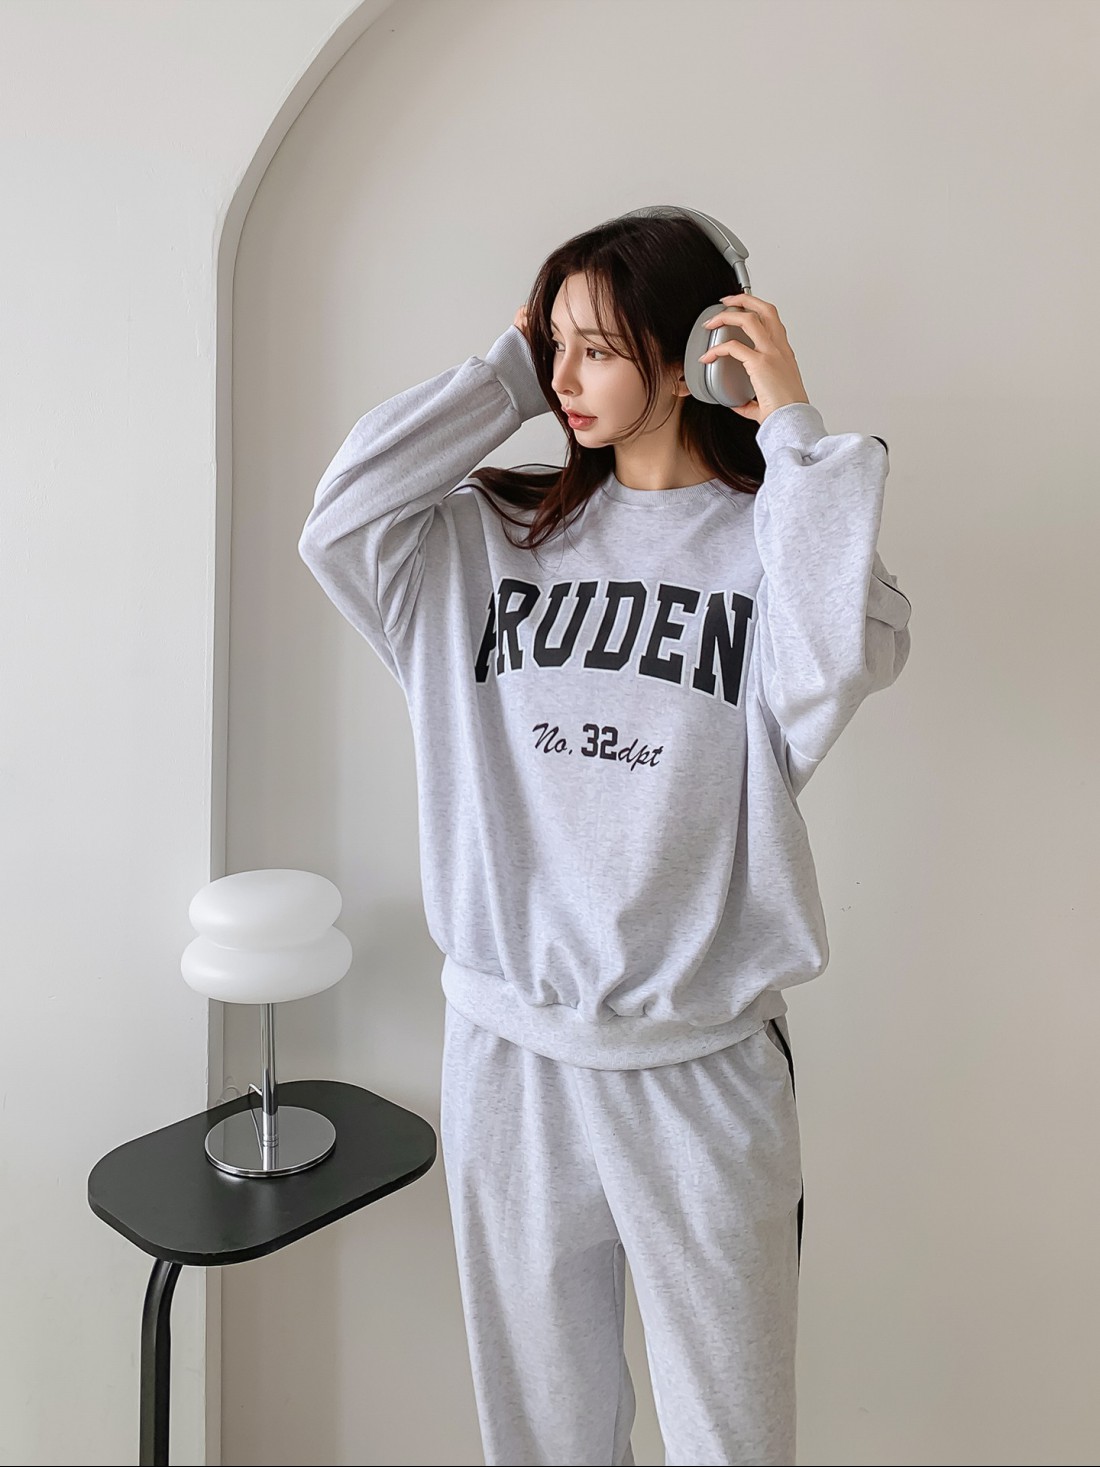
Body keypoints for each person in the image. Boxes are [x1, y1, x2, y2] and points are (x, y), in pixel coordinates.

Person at [298, 209, 912, 1466]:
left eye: (597, 350)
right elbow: (339, 520)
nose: (563, 378)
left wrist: (790, 426)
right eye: (554, 347)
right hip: (507, 1052)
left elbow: (841, 652)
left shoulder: (773, 547)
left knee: (730, 1435)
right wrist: (502, 376)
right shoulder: (481, 540)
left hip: (698, 1064)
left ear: (687, 359)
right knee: (542, 1433)